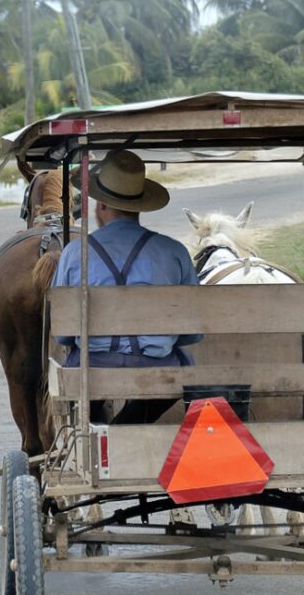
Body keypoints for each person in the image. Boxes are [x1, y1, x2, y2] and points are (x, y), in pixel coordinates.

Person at [51, 150, 201, 424]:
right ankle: (127, 428)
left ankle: (101, 435)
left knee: (76, 367)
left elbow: (62, 336)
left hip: (91, 367)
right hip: (157, 368)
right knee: (184, 364)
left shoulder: (74, 253)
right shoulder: (174, 251)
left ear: (102, 206)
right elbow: (192, 335)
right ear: (140, 206)